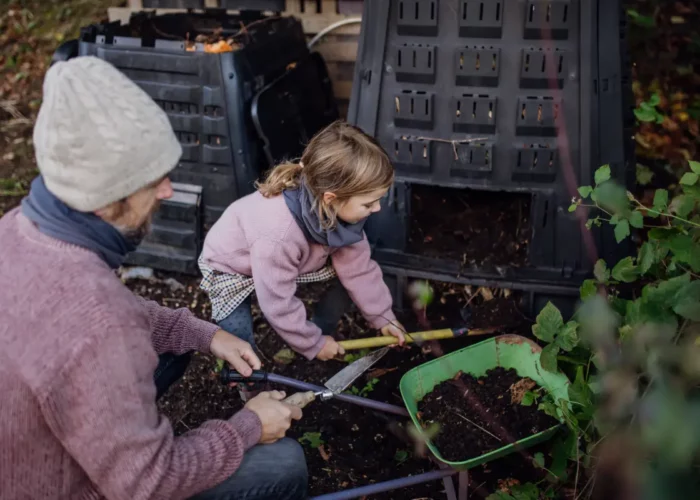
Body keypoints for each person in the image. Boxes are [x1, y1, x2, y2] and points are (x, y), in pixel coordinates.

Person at [0, 56, 307, 500]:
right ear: (105, 199)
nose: (167, 190)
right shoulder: (100, 324)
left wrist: (203, 334)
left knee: (171, 348)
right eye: (152, 179)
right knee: (285, 464)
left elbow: (96, 321)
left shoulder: (18, 229)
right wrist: (248, 426)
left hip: (27, 448)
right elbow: (148, 483)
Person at [198, 121, 406, 399]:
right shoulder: (278, 233)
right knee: (237, 337)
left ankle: (321, 324)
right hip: (230, 267)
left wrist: (383, 317)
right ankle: (253, 391)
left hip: (282, 261)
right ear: (332, 198)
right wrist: (313, 343)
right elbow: (277, 302)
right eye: (369, 203)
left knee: (348, 276)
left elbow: (360, 271)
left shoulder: (339, 214)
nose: (377, 208)